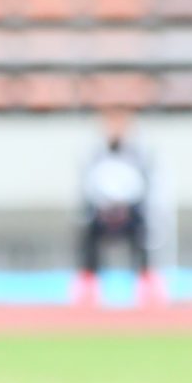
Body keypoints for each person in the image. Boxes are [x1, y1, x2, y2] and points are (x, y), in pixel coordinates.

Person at [74, 106, 165, 309]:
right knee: (87, 236)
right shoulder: (95, 156)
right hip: (101, 214)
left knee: (144, 235)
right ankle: (87, 287)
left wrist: (126, 206)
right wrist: (103, 207)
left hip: (130, 213)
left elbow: (144, 186)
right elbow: (89, 186)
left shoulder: (138, 155)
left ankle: (147, 286)